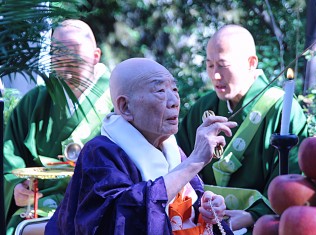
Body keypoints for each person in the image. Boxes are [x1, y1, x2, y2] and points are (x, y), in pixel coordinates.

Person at [45, 58, 237, 234]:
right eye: (160, 91)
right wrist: (195, 161)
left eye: (175, 90)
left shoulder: (171, 149)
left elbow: (192, 199)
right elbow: (120, 220)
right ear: (125, 107)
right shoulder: (100, 154)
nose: (174, 102)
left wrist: (208, 206)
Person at [176, 24, 309, 233]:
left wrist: (253, 215)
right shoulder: (202, 108)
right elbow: (179, 164)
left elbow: (293, 174)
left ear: (251, 63)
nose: (215, 75)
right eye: (210, 65)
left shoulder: (282, 109)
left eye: (222, 65)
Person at [3, 19, 113, 234]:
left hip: (98, 205)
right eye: (58, 53)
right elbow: (9, 153)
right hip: (39, 206)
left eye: (74, 53)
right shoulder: (35, 102)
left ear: (95, 56)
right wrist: (15, 187)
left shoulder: (119, 99)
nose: (66, 61)